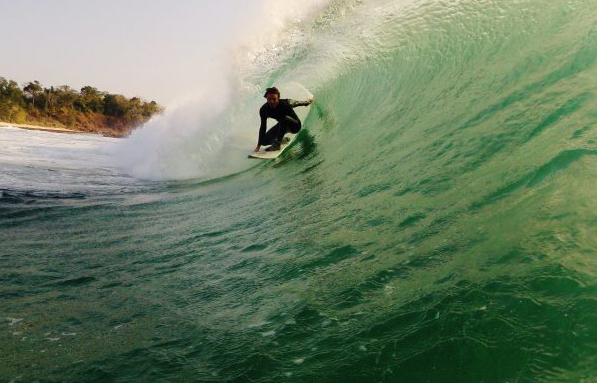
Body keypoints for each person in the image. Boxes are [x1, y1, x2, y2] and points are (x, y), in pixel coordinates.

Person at [253, 87, 313, 152]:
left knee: (283, 118)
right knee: (264, 141)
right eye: (269, 99)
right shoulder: (264, 110)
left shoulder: (286, 103)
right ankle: (283, 140)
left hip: (295, 126)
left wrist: (307, 102)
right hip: (282, 126)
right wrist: (258, 146)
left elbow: (298, 103)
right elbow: (263, 127)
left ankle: (277, 144)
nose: (271, 101)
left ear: (278, 98)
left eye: (274, 99)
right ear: (266, 98)